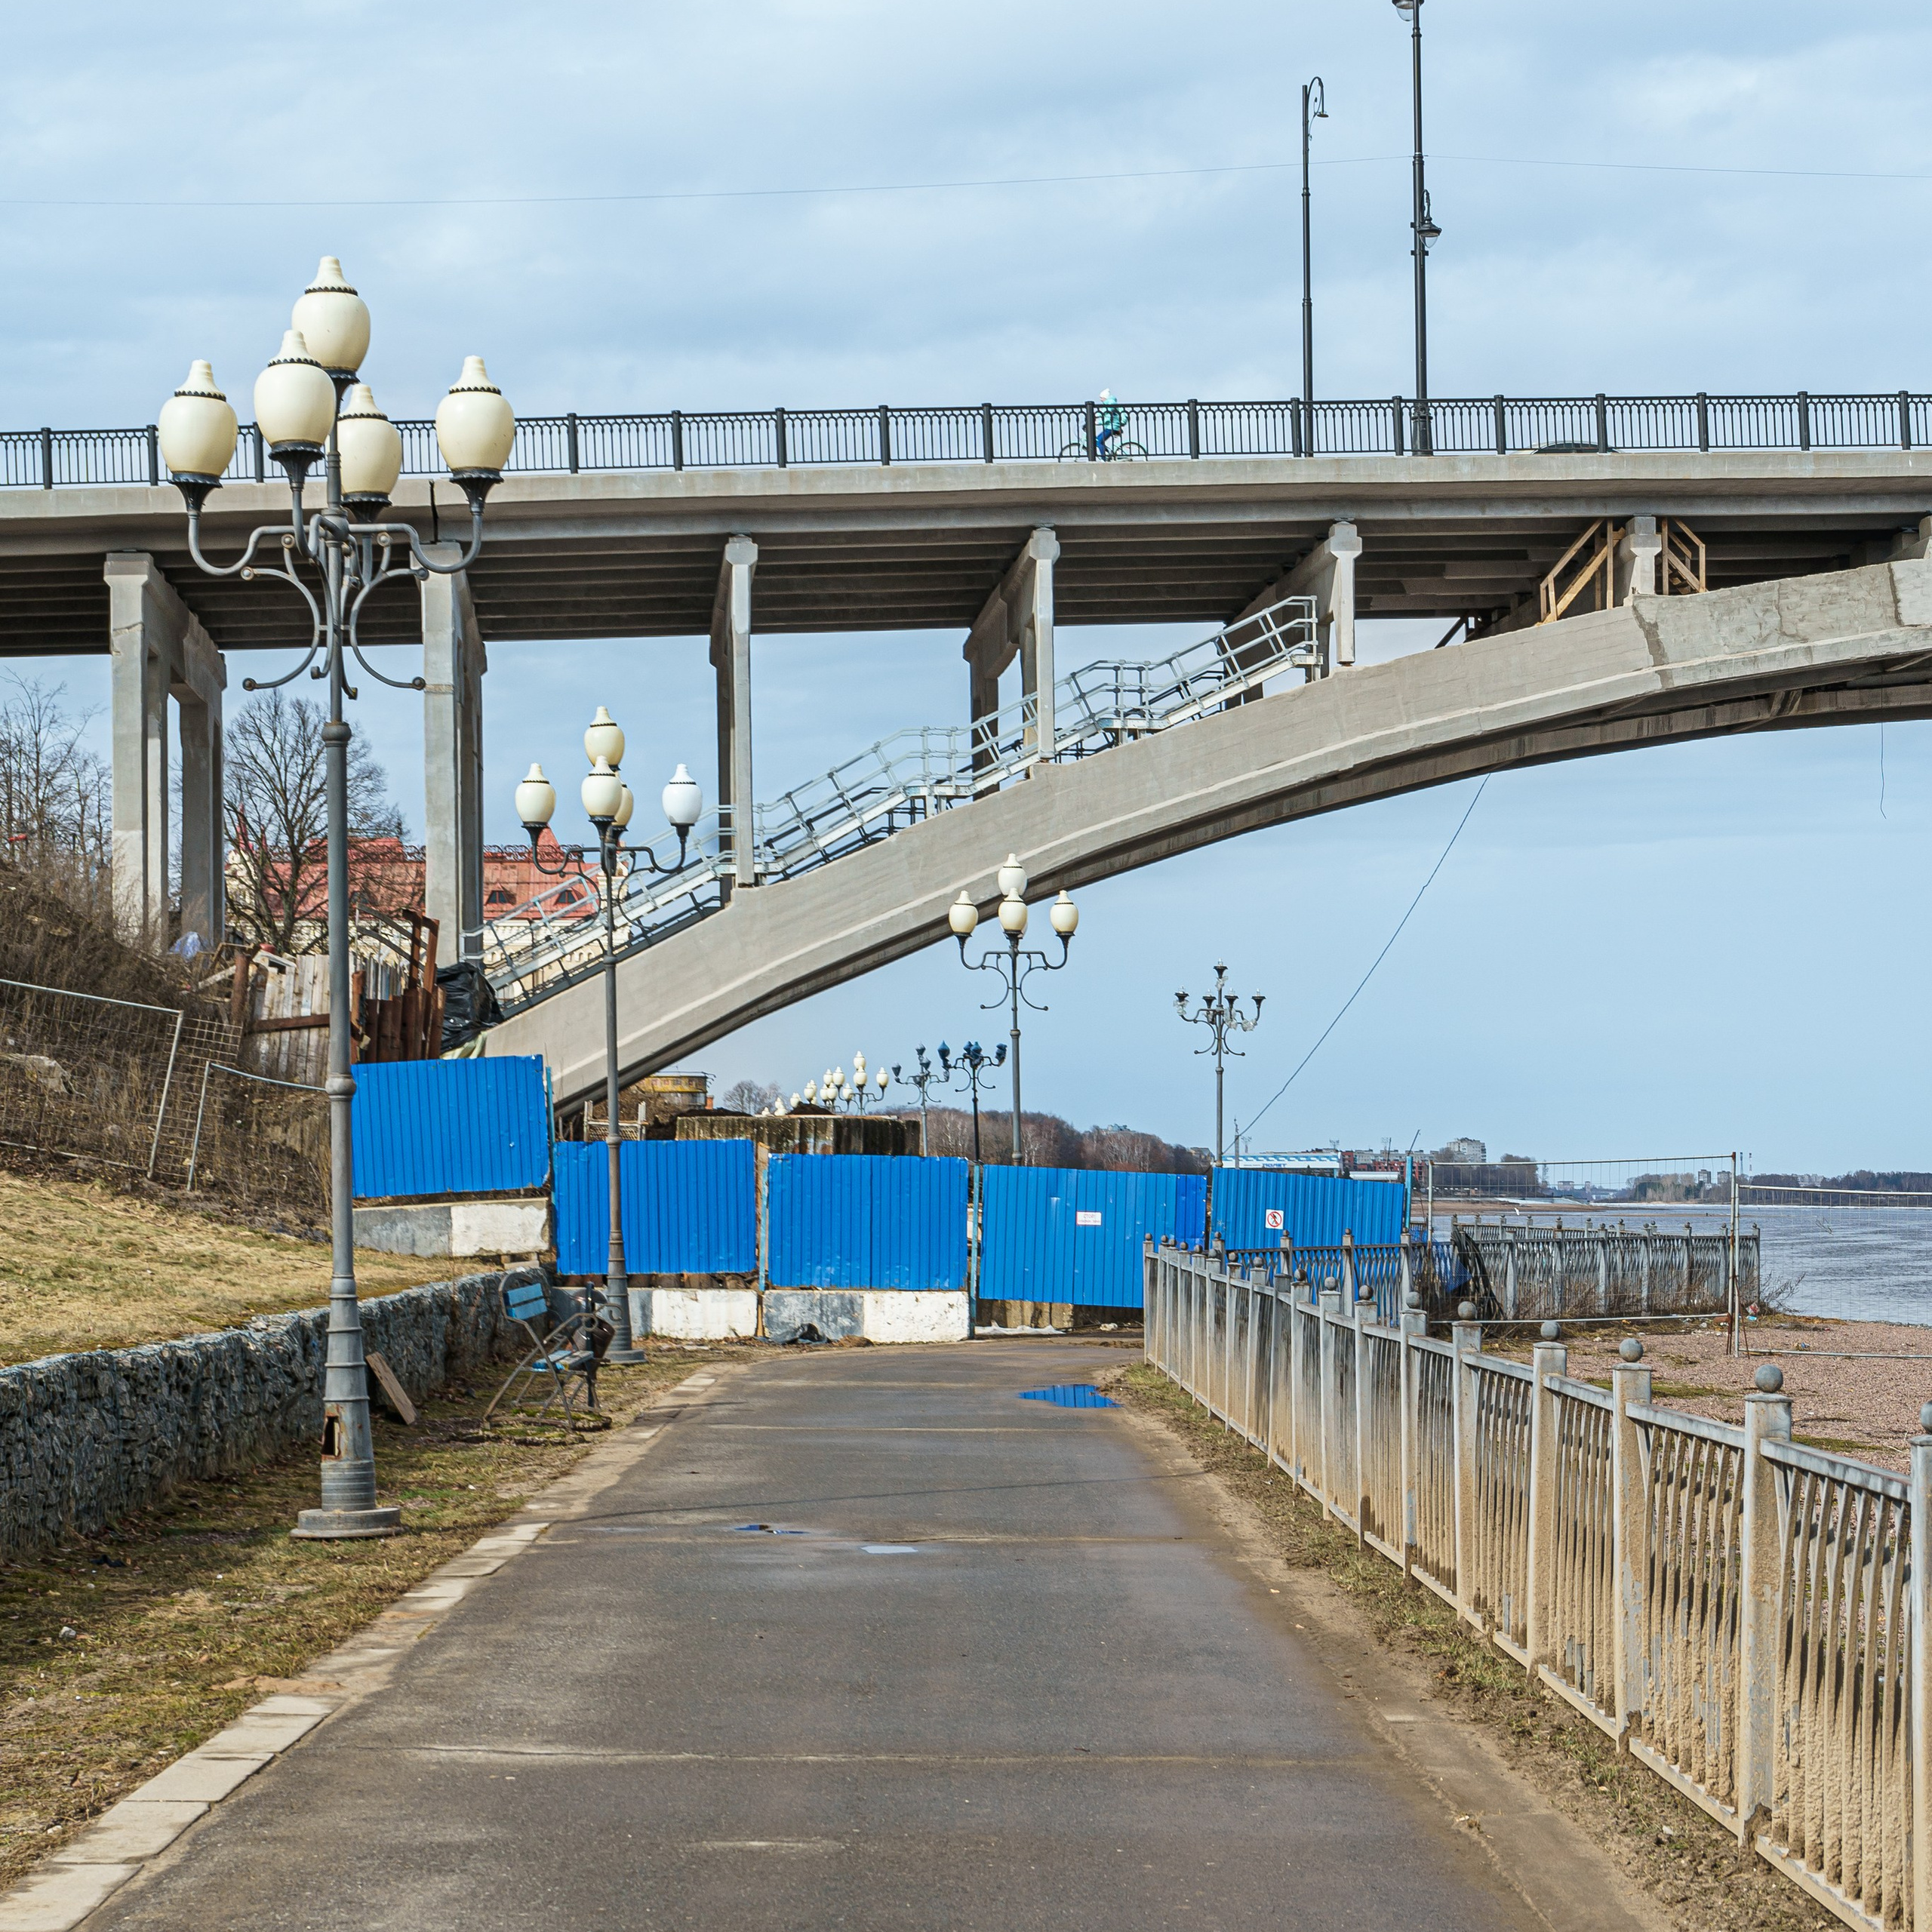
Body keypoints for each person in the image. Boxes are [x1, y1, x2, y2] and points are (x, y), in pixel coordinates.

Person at [1096, 388, 1124, 460]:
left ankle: (1104, 459)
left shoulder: (1110, 403)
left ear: (1105, 397)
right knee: (1098, 440)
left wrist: (1097, 422)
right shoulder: (1108, 404)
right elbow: (1103, 413)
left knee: (1099, 441)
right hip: (1111, 426)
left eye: (1101, 398)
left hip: (1112, 426)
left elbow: (1108, 416)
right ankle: (1107, 454)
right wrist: (1095, 415)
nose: (1100, 400)